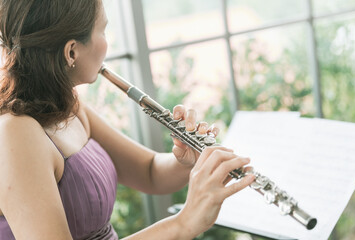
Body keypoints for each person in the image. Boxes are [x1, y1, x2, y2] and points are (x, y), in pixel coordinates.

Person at [0, 0, 255, 239]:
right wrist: (184, 223)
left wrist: (186, 161)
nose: (106, 43)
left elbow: (149, 172)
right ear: (71, 51)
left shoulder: (69, 107)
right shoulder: (16, 133)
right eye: (103, 31)